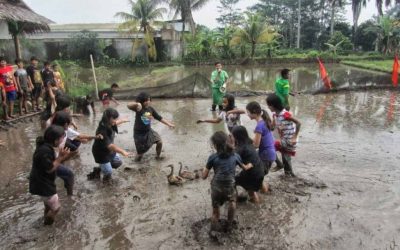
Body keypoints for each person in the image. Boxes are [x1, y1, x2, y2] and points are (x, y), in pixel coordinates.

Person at [202, 131, 252, 231]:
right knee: (232, 202)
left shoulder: (212, 157)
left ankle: (213, 231)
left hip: (216, 187)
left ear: (215, 145)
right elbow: (245, 168)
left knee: (215, 212)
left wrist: (205, 168)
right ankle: (229, 224)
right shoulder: (235, 156)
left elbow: (204, 176)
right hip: (230, 186)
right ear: (227, 142)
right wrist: (250, 165)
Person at [29, 125, 74, 225]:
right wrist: (61, 157)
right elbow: (50, 169)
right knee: (56, 208)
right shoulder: (45, 151)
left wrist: (62, 157)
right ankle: (47, 226)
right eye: (62, 137)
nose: (63, 140)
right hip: (43, 184)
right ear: (56, 140)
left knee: (48, 205)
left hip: (40, 181)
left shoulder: (44, 146)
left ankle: (45, 217)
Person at [127, 92, 175, 162]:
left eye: (149, 100)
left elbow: (159, 118)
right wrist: (136, 104)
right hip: (139, 134)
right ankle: (135, 164)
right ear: (141, 101)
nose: (148, 102)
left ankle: (158, 157)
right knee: (140, 154)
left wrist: (169, 124)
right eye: (145, 100)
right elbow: (128, 105)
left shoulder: (150, 109)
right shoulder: (138, 108)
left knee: (159, 142)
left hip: (148, 131)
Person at [89, 108, 132, 182]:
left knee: (118, 162)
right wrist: (123, 151)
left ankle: (100, 168)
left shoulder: (108, 122)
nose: (115, 121)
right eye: (114, 119)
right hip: (101, 153)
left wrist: (123, 120)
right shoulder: (102, 130)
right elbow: (110, 146)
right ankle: (105, 181)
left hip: (109, 151)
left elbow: (115, 123)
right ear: (109, 118)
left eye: (116, 119)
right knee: (108, 172)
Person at [267, 94, 301, 177]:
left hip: (290, 140)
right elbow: (272, 128)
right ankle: (289, 175)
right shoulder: (275, 115)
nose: (268, 107)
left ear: (273, 106)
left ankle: (279, 165)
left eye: (269, 106)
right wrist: (270, 123)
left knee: (270, 147)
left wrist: (295, 136)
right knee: (285, 157)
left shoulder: (285, 114)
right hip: (284, 139)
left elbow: (298, 123)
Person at [231, 126, 267, 203]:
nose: (231, 137)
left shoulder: (240, 149)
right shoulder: (249, 143)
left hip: (253, 173)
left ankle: (236, 200)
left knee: (234, 181)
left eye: (232, 135)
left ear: (236, 137)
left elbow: (232, 161)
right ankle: (266, 191)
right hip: (260, 169)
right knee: (259, 182)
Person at [245, 101, 276, 183]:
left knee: (255, 176)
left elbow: (256, 145)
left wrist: (245, 145)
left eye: (248, 112)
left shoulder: (259, 126)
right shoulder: (264, 121)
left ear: (254, 112)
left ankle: (263, 190)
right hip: (270, 154)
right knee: (256, 174)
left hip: (266, 156)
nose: (247, 114)